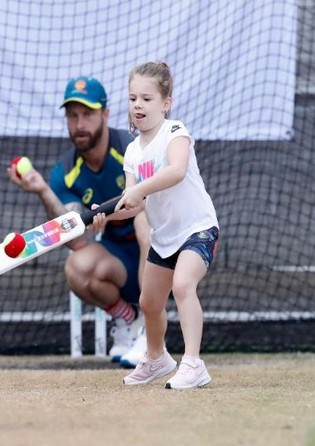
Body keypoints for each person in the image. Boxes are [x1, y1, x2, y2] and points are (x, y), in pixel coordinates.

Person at [92, 61, 219, 389]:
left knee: (183, 285)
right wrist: (105, 215)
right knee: (149, 303)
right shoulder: (132, 152)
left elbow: (176, 171)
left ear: (166, 103)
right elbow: (135, 203)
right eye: (133, 98)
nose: (138, 105)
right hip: (165, 238)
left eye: (146, 99)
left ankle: (193, 364)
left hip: (197, 229)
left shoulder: (176, 132)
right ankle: (157, 358)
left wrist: (136, 190)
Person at [8, 76, 151, 366]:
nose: (79, 123)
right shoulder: (65, 171)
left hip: (165, 260)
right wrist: (43, 190)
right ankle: (129, 321)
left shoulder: (131, 148)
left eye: (87, 114)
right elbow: (73, 239)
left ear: (106, 115)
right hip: (121, 265)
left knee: (143, 217)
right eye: (73, 116)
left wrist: (110, 212)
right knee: (77, 267)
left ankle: (151, 331)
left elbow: (154, 201)